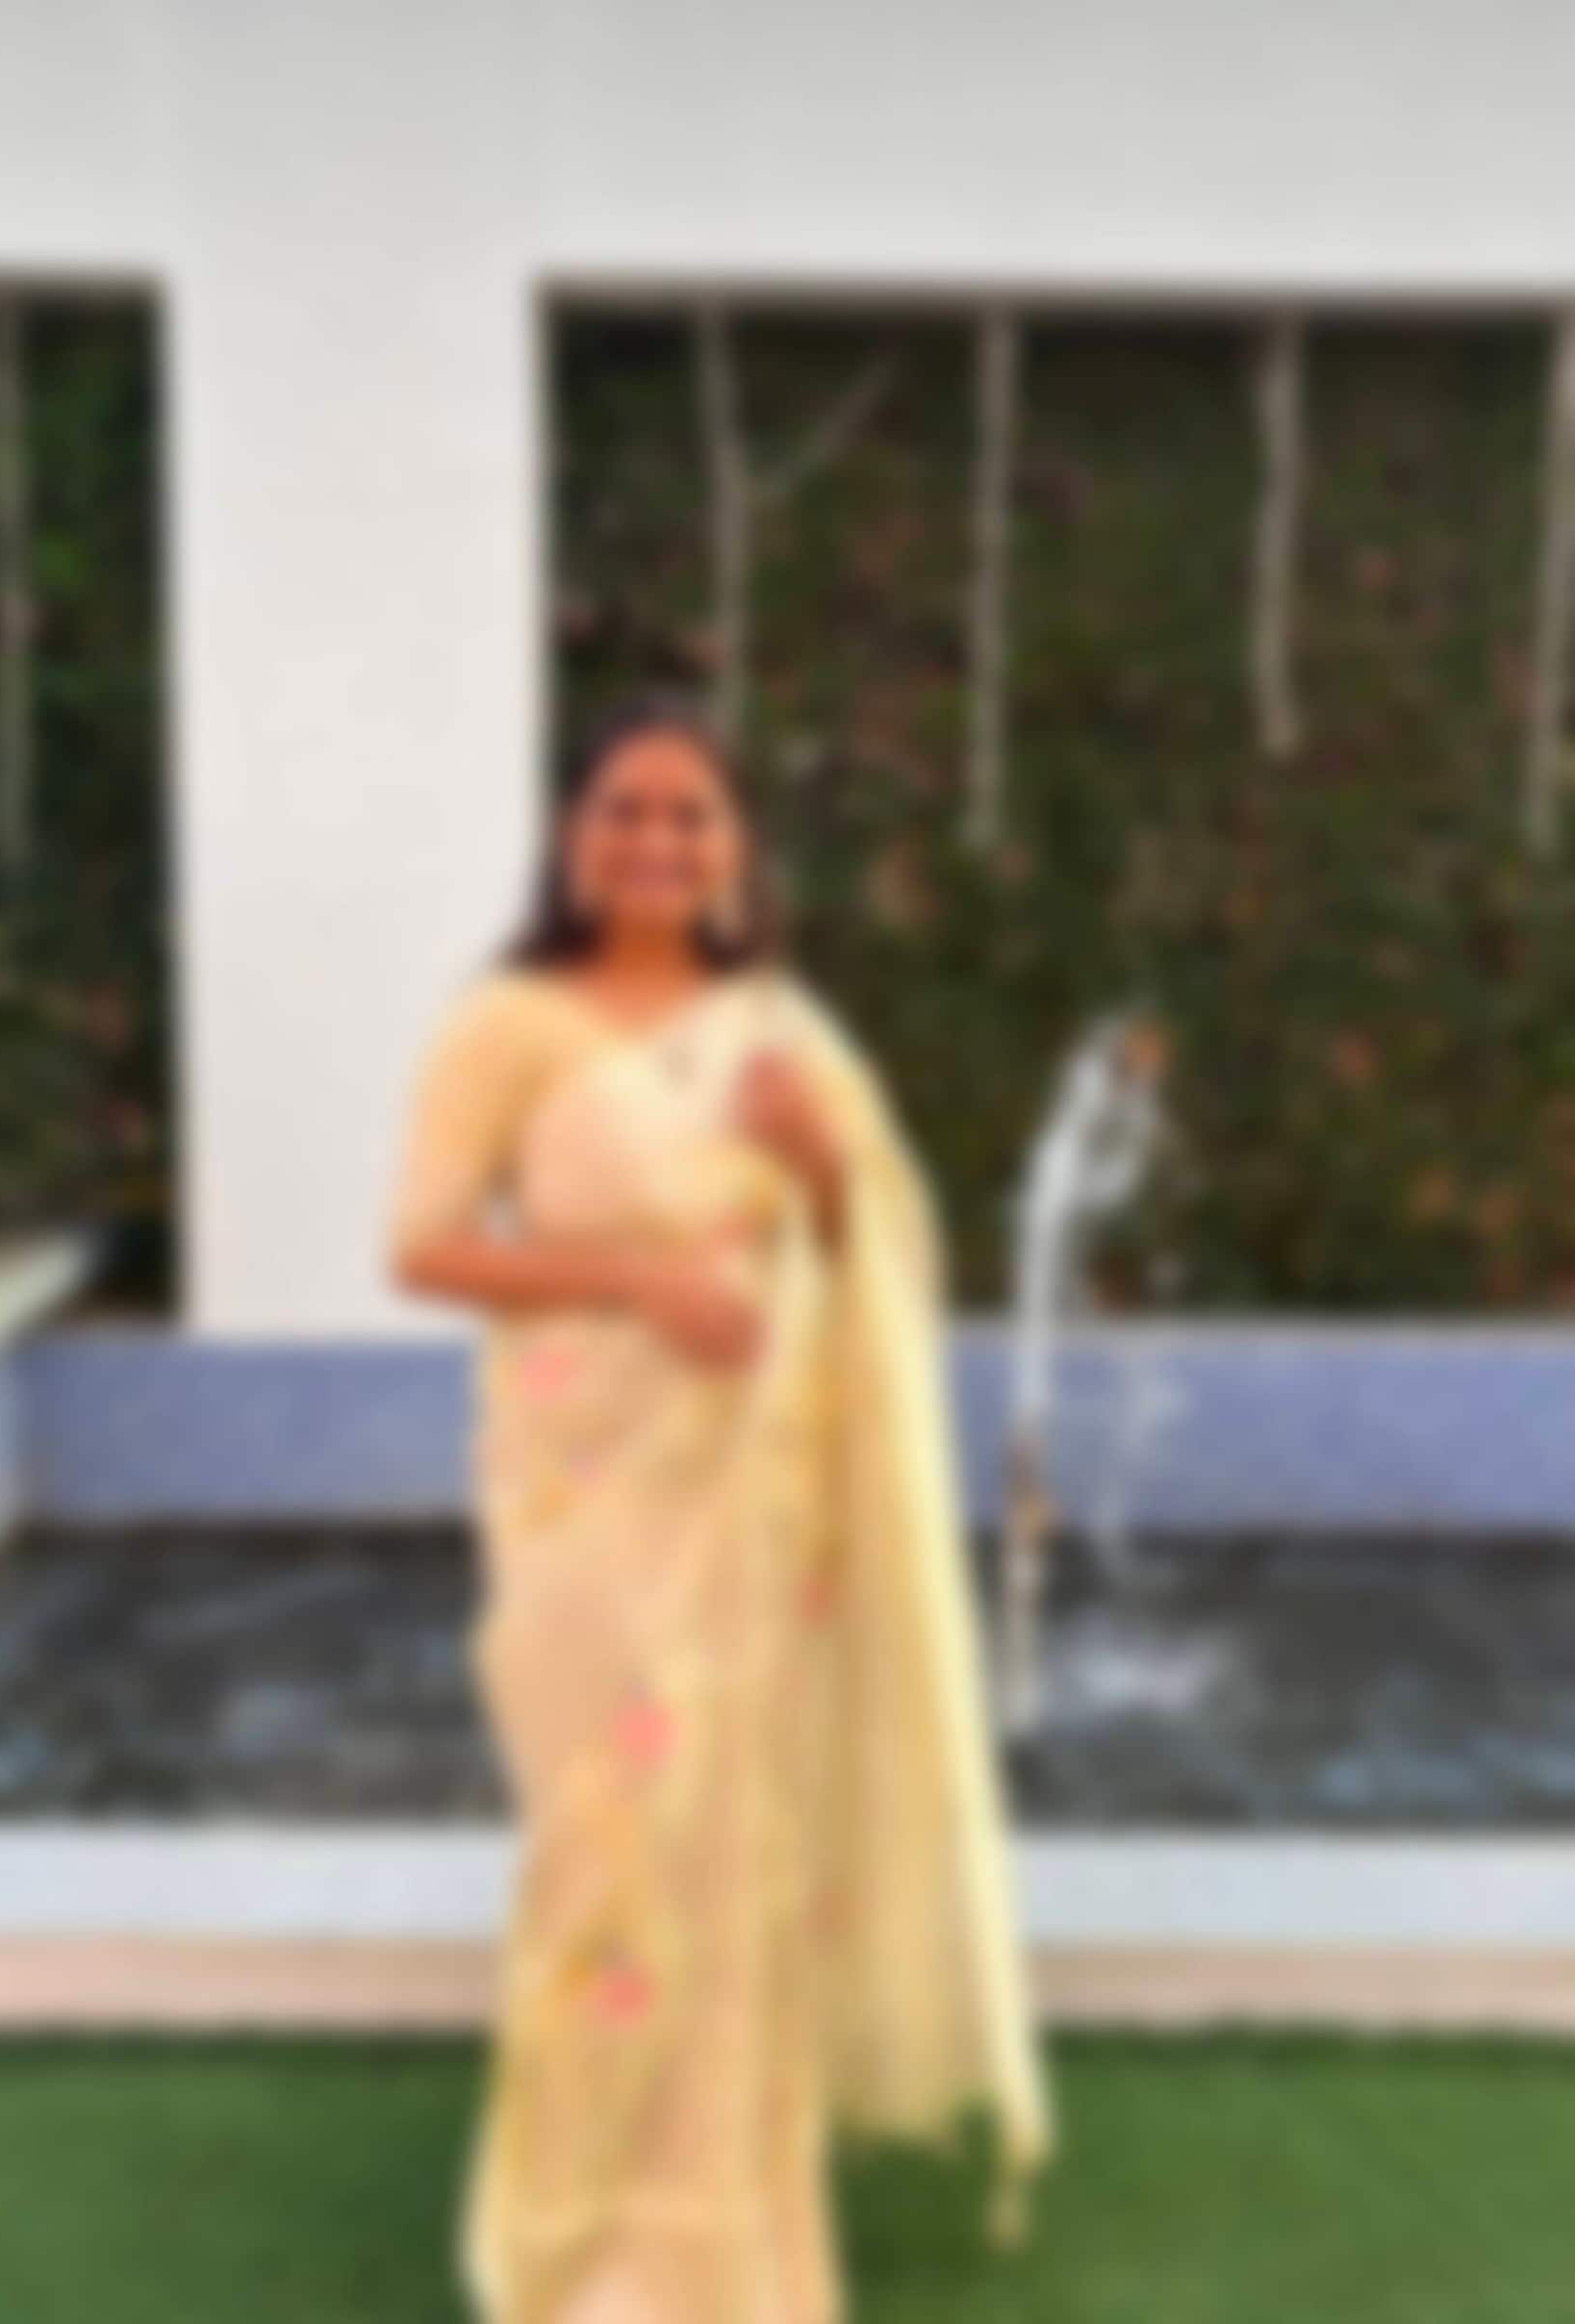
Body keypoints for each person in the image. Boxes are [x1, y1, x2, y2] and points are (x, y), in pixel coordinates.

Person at [386, 699, 1051, 2324]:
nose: (659, 841)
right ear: (574, 836)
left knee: (738, 1857)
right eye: (627, 809)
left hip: (757, 1509)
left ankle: (729, 2254)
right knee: (603, 1843)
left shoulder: (779, 1030)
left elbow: (861, 1244)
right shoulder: (508, 1023)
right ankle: (586, 2247)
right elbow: (423, 1248)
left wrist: (820, 1166)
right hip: (587, 1499)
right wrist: (632, 1284)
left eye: (692, 815)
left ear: (736, 848)